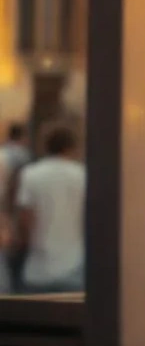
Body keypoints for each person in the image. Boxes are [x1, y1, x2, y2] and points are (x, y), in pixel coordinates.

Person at [14, 125, 86, 293]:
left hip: (38, 270)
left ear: (45, 146)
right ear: (72, 147)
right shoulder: (82, 175)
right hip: (74, 265)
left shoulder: (30, 174)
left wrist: (24, 244)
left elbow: (26, 217)